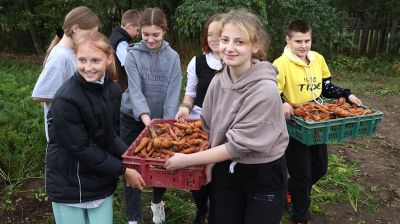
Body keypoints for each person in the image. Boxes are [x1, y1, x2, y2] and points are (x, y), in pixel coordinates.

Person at [166, 9, 289, 224]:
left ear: (255, 46)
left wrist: (187, 160)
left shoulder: (265, 90)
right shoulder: (218, 80)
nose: (230, 48)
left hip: (263, 173)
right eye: (225, 40)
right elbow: (211, 127)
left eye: (240, 42)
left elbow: (238, 146)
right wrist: (211, 162)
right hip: (226, 167)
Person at [45, 31, 145, 224]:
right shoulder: (66, 99)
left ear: (108, 59)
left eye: (95, 61)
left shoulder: (113, 90)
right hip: (69, 185)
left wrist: (134, 158)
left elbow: (111, 135)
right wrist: (124, 170)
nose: (87, 67)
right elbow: (81, 148)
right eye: (82, 60)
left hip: (100, 181)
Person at [273, 20, 362, 224]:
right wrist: (283, 103)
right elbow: (270, 93)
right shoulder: (280, 64)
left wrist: (346, 94)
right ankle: (300, 217)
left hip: (317, 123)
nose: (303, 46)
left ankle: (289, 190)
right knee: (302, 174)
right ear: (288, 40)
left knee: (320, 168)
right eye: (298, 41)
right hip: (295, 125)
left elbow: (326, 87)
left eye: (307, 40)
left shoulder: (317, 59)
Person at [120, 7, 182, 224]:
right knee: (132, 167)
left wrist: (165, 124)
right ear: (140, 31)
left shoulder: (173, 57)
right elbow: (135, 91)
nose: (150, 39)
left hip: (160, 122)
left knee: (160, 165)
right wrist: (147, 121)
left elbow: (173, 93)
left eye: (155, 34)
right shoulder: (133, 55)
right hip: (133, 119)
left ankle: (156, 203)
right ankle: (133, 218)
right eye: (146, 34)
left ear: (164, 31)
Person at [174, 13, 224, 224]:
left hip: (225, 124)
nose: (213, 39)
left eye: (219, 34)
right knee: (197, 171)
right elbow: (191, 93)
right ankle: (201, 208)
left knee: (220, 171)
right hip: (199, 124)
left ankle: (217, 210)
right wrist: (185, 107)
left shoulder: (235, 61)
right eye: (209, 34)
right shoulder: (198, 61)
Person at [32, 6, 99, 141]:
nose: (90, 39)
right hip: (62, 137)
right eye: (90, 34)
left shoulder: (71, 52)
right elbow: (40, 94)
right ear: (75, 29)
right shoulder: (60, 56)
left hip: (73, 133)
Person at [109, 9, 141, 92]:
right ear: (129, 25)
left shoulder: (115, 36)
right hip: (119, 87)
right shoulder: (121, 42)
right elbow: (128, 64)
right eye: (137, 30)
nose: (138, 33)